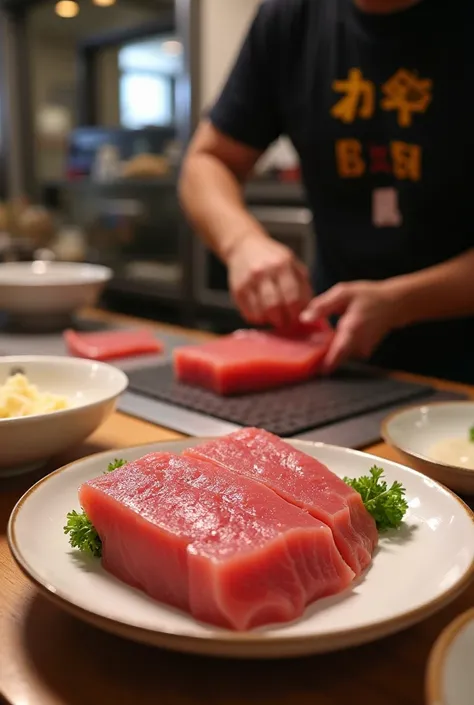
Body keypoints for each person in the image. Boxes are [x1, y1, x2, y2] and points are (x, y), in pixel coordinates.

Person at [179, 0, 474, 383]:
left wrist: (400, 302)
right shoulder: (289, 16)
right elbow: (207, 161)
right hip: (337, 352)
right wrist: (241, 243)